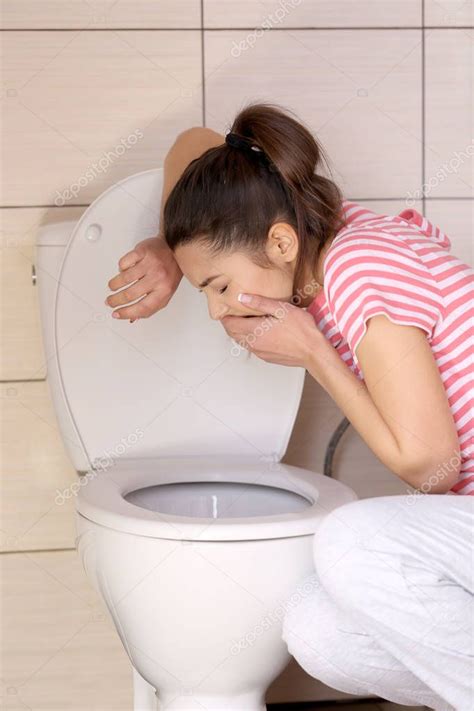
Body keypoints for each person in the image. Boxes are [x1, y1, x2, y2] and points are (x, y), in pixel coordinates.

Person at [105, 103, 473, 710]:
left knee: (352, 541)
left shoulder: (357, 268)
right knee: (315, 628)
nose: (217, 312)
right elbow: (196, 141)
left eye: (218, 287)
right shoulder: (316, 232)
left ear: (279, 241)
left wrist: (315, 354)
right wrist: (180, 248)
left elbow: (433, 467)